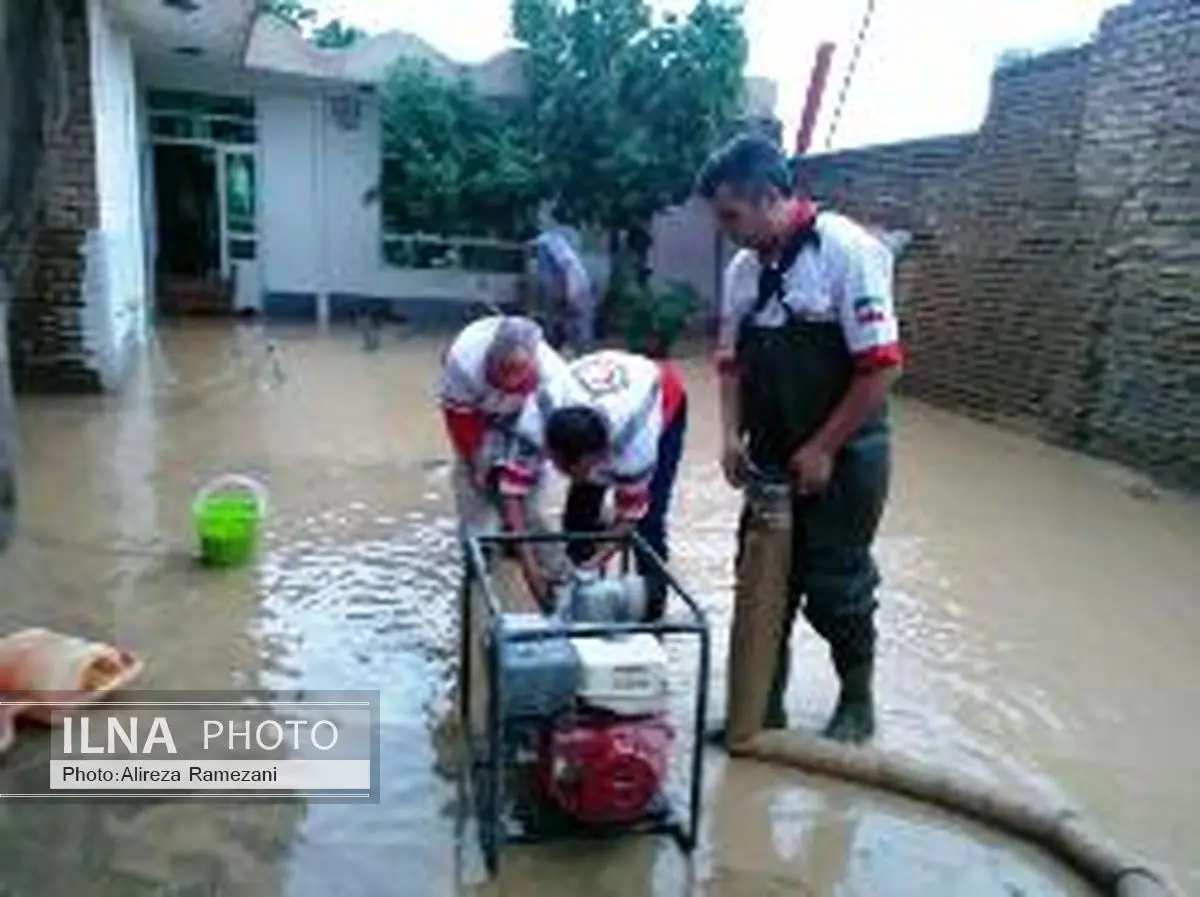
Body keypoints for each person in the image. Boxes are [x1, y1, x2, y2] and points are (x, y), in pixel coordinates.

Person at [696, 134, 903, 743]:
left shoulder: (846, 252)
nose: (725, 228)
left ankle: (857, 702)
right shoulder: (742, 272)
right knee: (764, 581)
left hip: (848, 455)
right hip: (769, 456)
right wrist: (732, 436)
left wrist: (825, 447)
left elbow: (882, 368)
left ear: (769, 198)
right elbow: (731, 365)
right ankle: (763, 707)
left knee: (836, 587)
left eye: (731, 215)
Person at [496, 349, 688, 617]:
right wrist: (531, 569)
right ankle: (578, 601)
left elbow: (632, 513)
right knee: (578, 516)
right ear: (549, 448)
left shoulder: (634, 447)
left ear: (601, 456)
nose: (571, 477)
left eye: (582, 470)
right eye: (562, 469)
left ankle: (653, 612)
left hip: (664, 395)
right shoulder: (536, 419)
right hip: (599, 390)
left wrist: (598, 560)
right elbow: (512, 493)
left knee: (649, 524)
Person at [437, 315, 571, 538]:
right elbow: (460, 419)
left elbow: (544, 441)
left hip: (526, 411)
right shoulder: (464, 361)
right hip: (478, 409)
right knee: (472, 485)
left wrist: (517, 479)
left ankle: (517, 536)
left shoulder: (554, 378)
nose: (511, 380)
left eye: (519, 371)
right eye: (505, 369)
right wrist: (476, 463)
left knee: (527, 489)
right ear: (492, 358)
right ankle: (477, 542)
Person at [533, 227, 596, 355]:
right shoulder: (557, 245)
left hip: (575, 292)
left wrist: (570, 294)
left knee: (577, 332)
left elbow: (567, 268)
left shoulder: (547, 244)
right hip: (574, 291)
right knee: (572, 329)